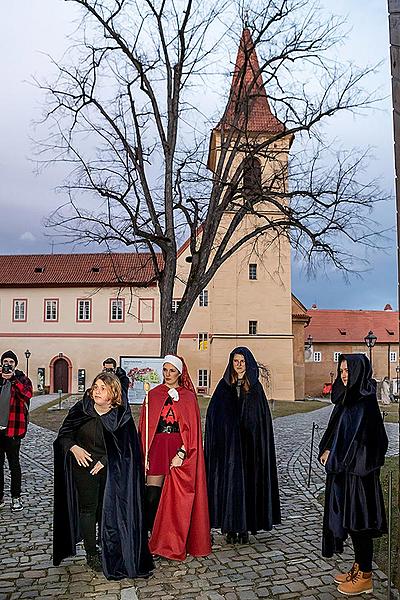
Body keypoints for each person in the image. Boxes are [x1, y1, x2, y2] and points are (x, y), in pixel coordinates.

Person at [53, 372, 153, 579]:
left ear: (113, 393)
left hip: (111, 470)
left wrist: (105, 461)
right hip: (83, 469)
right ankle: (92, 553)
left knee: (105, 510)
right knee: (88, 509)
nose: (97, 391)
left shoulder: (120, 416)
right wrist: (73, 448)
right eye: (95, 387)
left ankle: (108, 544)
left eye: (103, 388)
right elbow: (64, 435)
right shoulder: (81, 410)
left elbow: (127, 449)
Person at [319, 354, 388, 596]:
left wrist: (339, 457)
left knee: (361, 525)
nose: (344, 374)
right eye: (341, 370)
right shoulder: (347, 398)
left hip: (360, 477)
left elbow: (374, 442)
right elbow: (337, 432)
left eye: (348, 370)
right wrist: (326, 449)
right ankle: (358, 567)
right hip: (346, 474)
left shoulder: (365, 401)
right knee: (351, 522)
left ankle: (366, 577)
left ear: (359, 370)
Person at [138, 354, 211, 561]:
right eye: (165, 370)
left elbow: (192, 431)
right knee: (152, 495)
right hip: (158, 448)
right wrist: (145, 454)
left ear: (179, 372)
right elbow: (145, 428)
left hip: (178, 449)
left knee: (175, 497)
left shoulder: (187, 397)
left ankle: (173, 540)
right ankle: (154, 536)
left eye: (172, 370)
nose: (168, 374)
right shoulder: (153, 394)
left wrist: (181, 453)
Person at [204, 347, 281, 544]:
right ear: (231, 363)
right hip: (228, 453)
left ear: (248, 364)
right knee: (229, 488)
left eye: (242, 361)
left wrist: (251, 434)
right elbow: (214, 417)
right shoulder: (223, 388)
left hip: (249, 451)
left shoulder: (255, 389)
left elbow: (261, 422)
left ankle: (245, 527)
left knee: (247, 488)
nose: (239, 365)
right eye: (236, 361)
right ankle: (229, 527)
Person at [0, 350, 33, 512]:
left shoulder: (23, 380)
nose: (8, 364)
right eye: (5, 361)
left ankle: (16, 497)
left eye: (11, 362)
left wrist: (13, 379)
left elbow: (27, 395)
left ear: (15, 364)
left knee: (14, 466)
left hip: (13, 430)